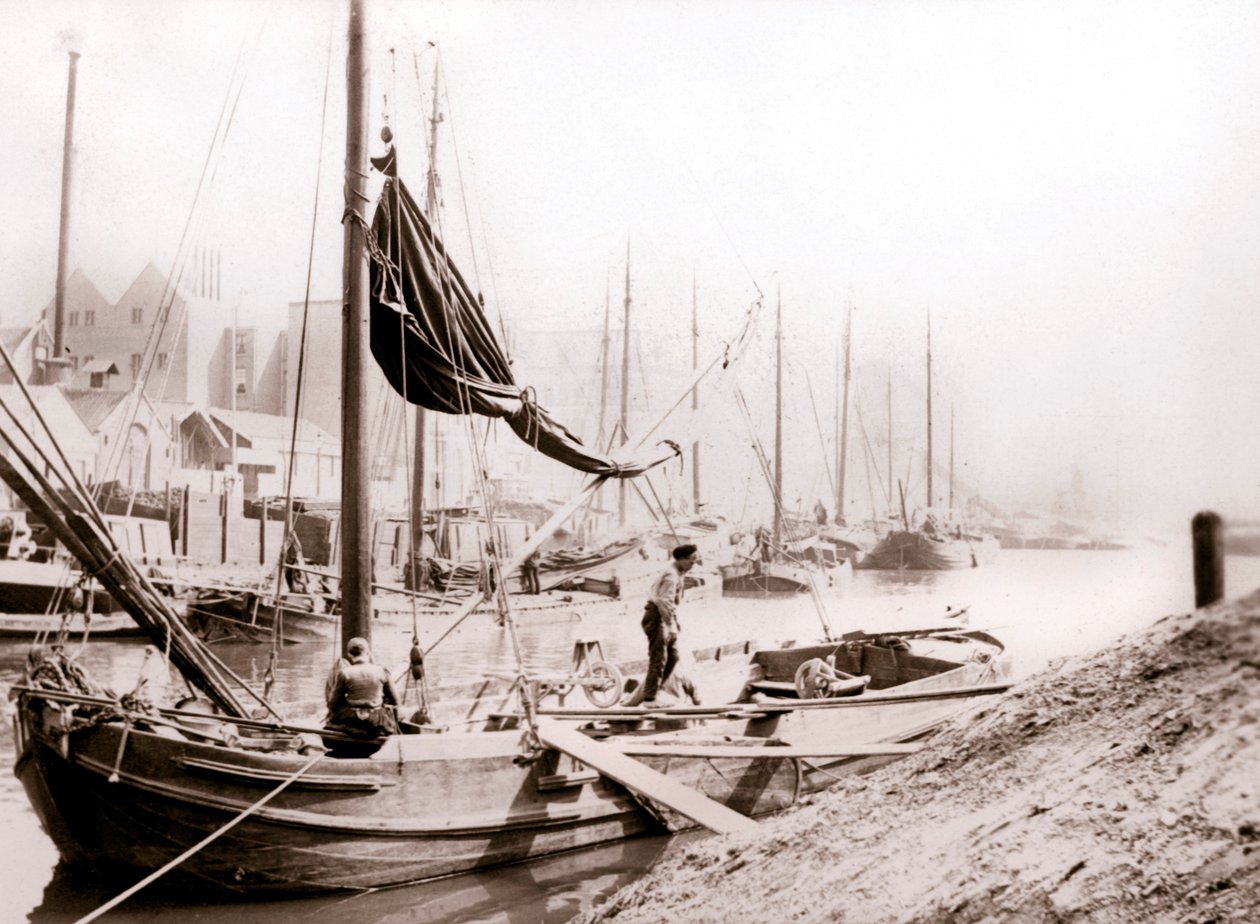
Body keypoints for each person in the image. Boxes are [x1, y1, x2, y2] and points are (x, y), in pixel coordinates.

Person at [640, 543, 700, 705]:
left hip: (664, 616)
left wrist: (675, 622)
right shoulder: (671, 575)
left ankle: (656, 689)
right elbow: (664, 602)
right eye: (691, 561)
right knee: (659, 657)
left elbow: (671, 604)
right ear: (681, 559)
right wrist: (671, 625)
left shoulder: (678, 572)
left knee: (673, 656)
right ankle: (650, 698)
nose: (693, 565)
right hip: (657, 616)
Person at [325, 637, 401, 740]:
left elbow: (333, 704)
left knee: (333, 717)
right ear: (368, 653)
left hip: (352, 719)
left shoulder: (344, 673)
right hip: (376, 720)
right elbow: (396, 701)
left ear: (349, 654)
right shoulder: (382, 671)